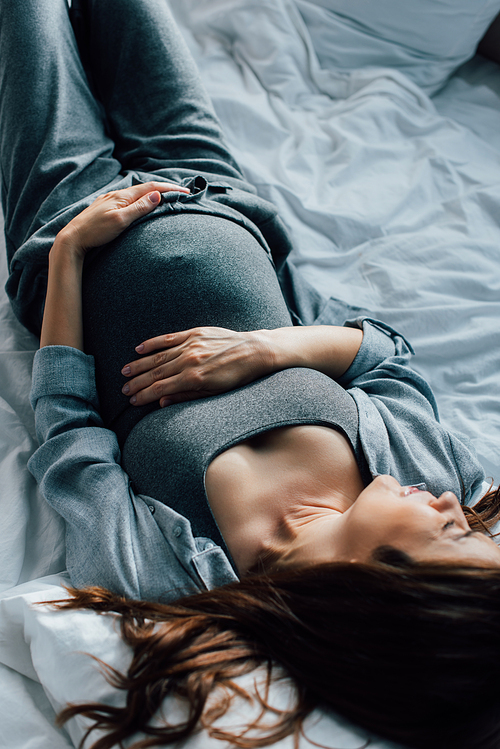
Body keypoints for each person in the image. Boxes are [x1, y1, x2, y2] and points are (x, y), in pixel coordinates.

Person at [2, 1, 500, 748]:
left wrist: (71, 252)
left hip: (67, 210)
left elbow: (69, 431)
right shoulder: (420, 468)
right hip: (219, 195)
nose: (455, 506)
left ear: (391, 591)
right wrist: (268, 350)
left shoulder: (171, 573)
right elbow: (383, 352)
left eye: (452, 534)